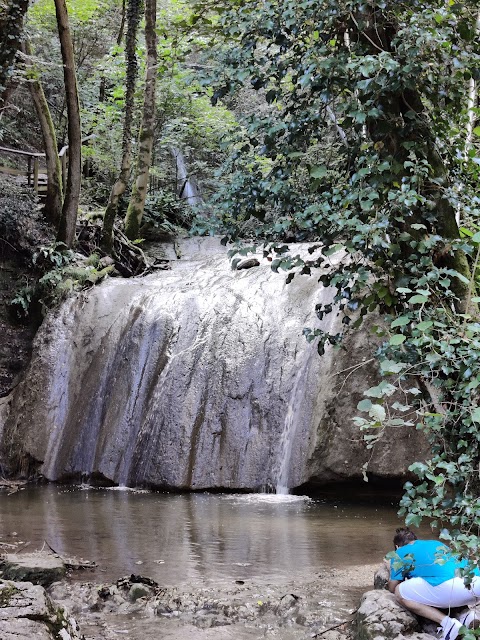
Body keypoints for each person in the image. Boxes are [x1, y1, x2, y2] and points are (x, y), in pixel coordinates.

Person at [388, 527, 480, 640]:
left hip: (450, 588)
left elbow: (392, 587)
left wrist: (390, 569)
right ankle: (466, 615)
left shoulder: (399, 552)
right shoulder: (435, 543)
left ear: (397, 546)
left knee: (400, 592)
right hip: (475, 583)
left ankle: (449, 625)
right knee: (442, 576)